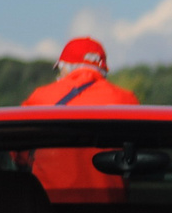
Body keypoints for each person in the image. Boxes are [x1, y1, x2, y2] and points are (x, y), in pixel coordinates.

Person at [23, 37, 140, 203]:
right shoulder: (126, 100)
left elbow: (18, 154)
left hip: (49, 210)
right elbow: (138, 155)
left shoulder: (40, 98)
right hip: (109, 211)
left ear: (64, 67)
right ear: (103, 70)